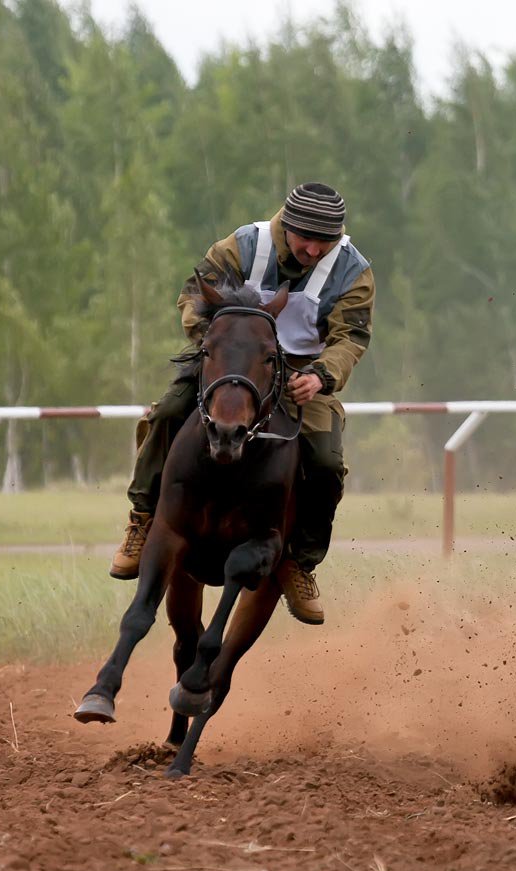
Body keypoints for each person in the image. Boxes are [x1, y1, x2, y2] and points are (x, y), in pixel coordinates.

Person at [110, 182, 375, 624]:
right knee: (168, 413)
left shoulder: (353, 271)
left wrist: (321, 376)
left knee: (326, 461)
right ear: (286, 226)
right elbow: (192, 299)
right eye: (304, 238)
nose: (312, 250)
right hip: (231, 364)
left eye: (323, 242)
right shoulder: (243, 245)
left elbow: (352, 337)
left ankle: (299, 561)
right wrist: (219, 348)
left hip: (302, 376)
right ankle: (142, 518)